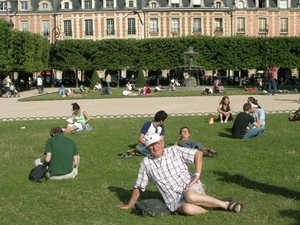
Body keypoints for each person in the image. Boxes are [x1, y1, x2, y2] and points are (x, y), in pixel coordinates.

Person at [117, 133, 243, 215]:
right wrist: (129, 205)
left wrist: (197, 174)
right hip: (175, 201)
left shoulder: (174, 150)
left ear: (161, 143)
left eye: (157, 144)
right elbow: (139, 186)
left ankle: (227, 205)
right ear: (147, 148)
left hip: (190, 187)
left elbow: (198, 154)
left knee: (190, 197)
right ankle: (216, 203)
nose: (155, 147)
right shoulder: (146, 163)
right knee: (188, 209)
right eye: (151, 146)